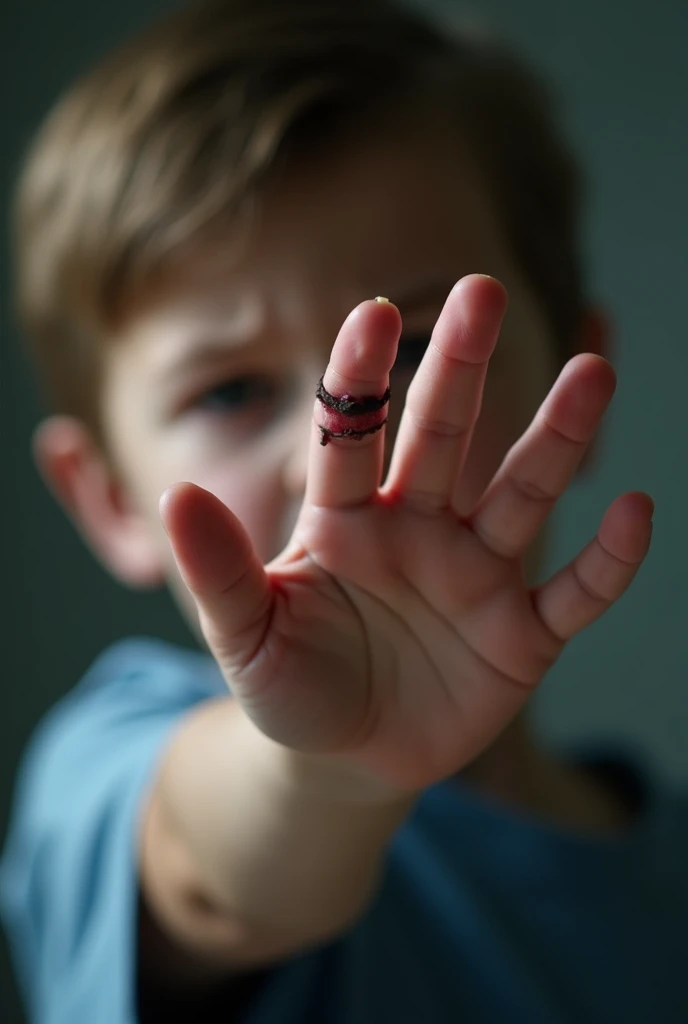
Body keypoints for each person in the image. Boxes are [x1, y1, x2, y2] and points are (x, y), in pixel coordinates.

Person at [1, 0, 686, 1021]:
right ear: (106, 500)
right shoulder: (107, 768)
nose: (334, 447)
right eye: (230, 392)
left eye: (411, 349)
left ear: (575, 379)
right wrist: (329, 766)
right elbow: (212, 874)